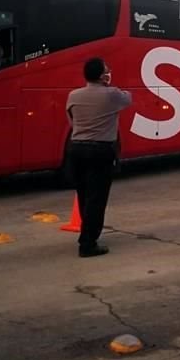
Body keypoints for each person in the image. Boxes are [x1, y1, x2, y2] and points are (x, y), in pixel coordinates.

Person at [66, 58, 132, 257]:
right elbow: (128, 98)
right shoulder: (111, 94)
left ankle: (86, 234)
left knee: (84, 195)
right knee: (97, 198)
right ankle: (88, 243)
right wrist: (108, 85)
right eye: (107, 71)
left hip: (76, 149)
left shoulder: (73, 95)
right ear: (102, 75)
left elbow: (71, 121)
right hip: (100, 150)